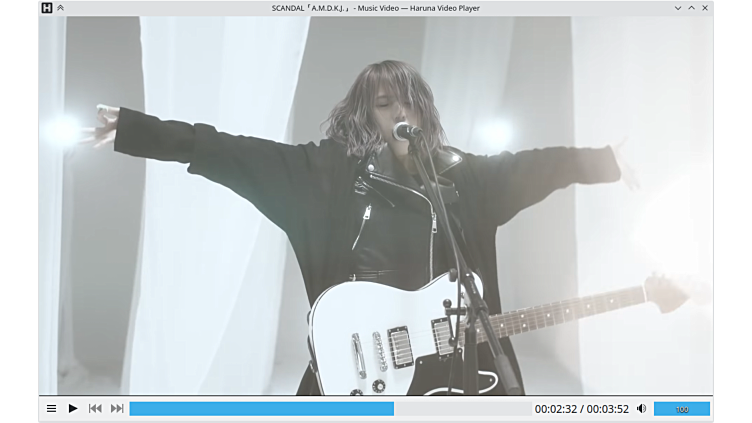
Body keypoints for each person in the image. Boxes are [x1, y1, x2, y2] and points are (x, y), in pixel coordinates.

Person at [81, 60, 636, 396]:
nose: (401, 114)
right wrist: (136, 131)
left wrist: (605, 159)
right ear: (364, 114)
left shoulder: (464, 176)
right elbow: (232, 151)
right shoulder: (325, 175)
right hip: (360, 368)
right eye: (385, 104)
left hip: (451, 370)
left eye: (410, 103)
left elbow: (535, 167)